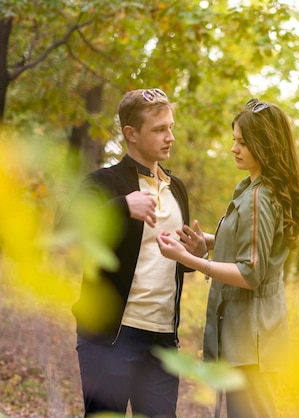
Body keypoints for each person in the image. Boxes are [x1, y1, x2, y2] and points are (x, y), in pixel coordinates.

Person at [157, 98, 299, 418]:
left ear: (264, 146)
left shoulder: (258, 196)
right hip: (253, 339)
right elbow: (255, 248)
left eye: (242, 142)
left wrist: (192, 259)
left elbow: (250, 272)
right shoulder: (253, 188)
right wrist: (209, 243)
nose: (234, 149)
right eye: (234, 140)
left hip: (252, 343)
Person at [69, 88, 207, 417]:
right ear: (131, 133)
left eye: (170, 127)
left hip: (162, 342)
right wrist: (121, 207)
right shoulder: (104, 181)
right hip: (111, 338)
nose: (170, 137)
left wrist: (196, 255)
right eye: (159, 129)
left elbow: (167, 258)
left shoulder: (177, 190)